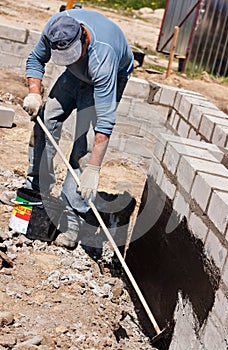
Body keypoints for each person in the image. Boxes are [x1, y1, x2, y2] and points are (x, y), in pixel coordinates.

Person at [22, 9, 134, 249]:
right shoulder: (55, 28)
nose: (69, 57)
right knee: (46, 120)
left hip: (105, 77)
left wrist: (93, 169)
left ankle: (73, 219)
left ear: (83, 36)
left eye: (73, 53)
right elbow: (35, 59)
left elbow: (105, 123)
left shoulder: (102, 56)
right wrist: (34, 92)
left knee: (82, 144)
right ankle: (36, 190)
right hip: (75, 75)